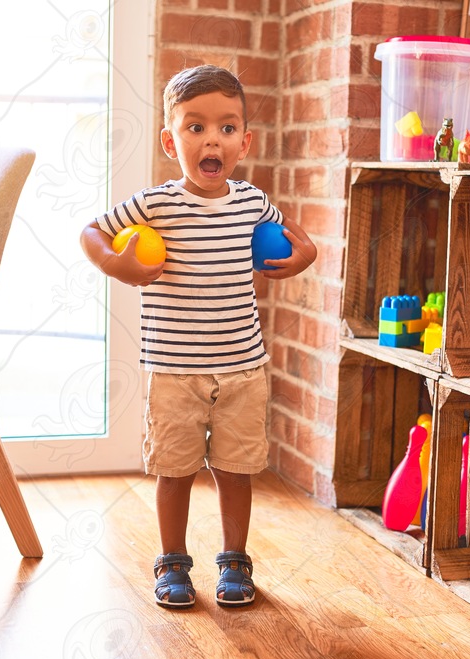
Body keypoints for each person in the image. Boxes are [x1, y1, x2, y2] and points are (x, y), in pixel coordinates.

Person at [80, 65, 317, 609]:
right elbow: (91, 231)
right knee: (174, 470)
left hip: (242, 369)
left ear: (244, 141)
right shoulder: (155, 204)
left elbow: (293, 242)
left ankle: (235, 559)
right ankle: (172, 562)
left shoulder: (253, 202)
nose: (213, 139)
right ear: (171, 140)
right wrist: (115, 264)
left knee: (237, 470)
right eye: (196, 127)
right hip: (174, 371)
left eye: (227, 128)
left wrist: (304, 257)